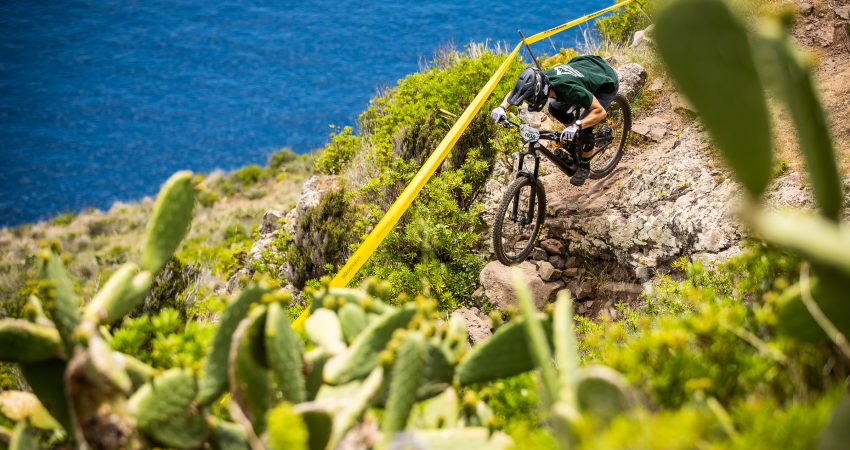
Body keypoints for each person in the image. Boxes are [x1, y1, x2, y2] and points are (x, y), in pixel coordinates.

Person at [491, 55, 619, 186]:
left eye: (531, 99)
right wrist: (501, 108)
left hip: (605, 81)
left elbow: (600, 112)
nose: (530, 102)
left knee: (585, 129)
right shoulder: (539, 79)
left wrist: (577, 126)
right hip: (586, 65)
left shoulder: (570, 89)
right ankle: (576, 139)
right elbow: (517, 91)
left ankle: (585, 166)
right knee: (554, 108)